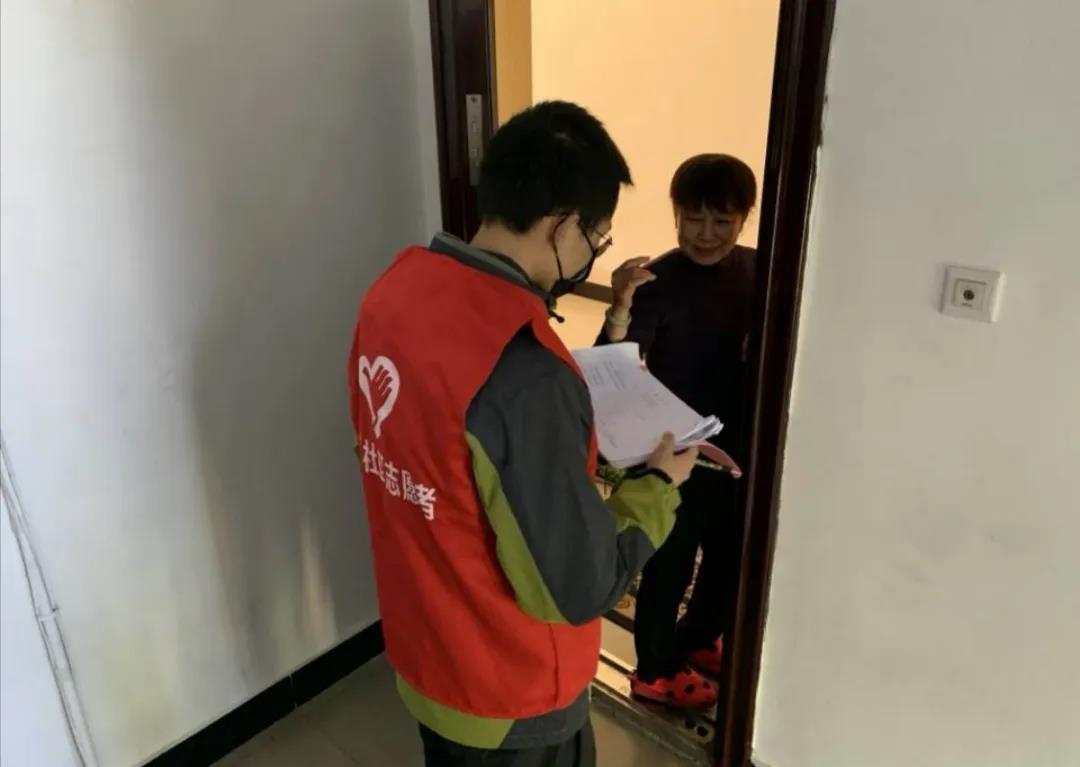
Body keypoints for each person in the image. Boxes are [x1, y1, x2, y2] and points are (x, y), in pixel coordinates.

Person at [347, 101, 698, 767]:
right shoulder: (525, 372)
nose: (593, 255)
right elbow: (580, 585)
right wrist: (657, 486)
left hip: (426, 651)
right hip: (510, 692)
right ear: (563, 224)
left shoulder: (392, 293)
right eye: (598, 238)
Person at [597, 153, 758, 710]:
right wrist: (620, 305)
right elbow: (613, 365)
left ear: (744, 218)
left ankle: (700, 637)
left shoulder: (760, 270)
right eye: (693, 218)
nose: (705, 234)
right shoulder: (656, 282)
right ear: (675, 214)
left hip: (737, 445)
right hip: (670, 451)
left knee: (728, 553)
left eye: (722, 221)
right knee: (668, 562)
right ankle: (655, 670)